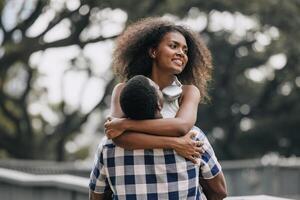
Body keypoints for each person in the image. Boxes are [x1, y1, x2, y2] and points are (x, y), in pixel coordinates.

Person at [90, 17, 227, 199]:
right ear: (153, 51)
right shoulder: (123, 89)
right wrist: (175, 144)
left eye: (185, 50)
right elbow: (120, 140)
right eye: (174, 46)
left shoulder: (189, 92)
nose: (181, 53)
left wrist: (124, 124)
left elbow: (181, 127)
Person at [89, 75, 227, 199]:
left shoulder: (107, 146)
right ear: (159, 105)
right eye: (158, 89)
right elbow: (219, 191)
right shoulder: (193, 138)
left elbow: (96, 195)